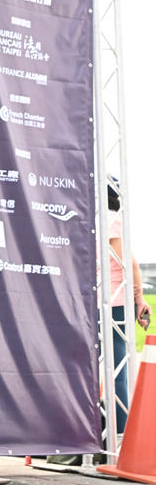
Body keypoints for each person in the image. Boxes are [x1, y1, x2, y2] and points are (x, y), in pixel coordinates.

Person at [107, 179, 151, 434]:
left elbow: (130, 264)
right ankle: (119, 429)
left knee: (116, 369)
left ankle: (121, 430)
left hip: (113, 303)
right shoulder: (111, 220)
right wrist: (139, 299)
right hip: (111, 303)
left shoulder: (108, 221)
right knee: (116, 369)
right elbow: (131, 264)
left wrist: (138, 299)